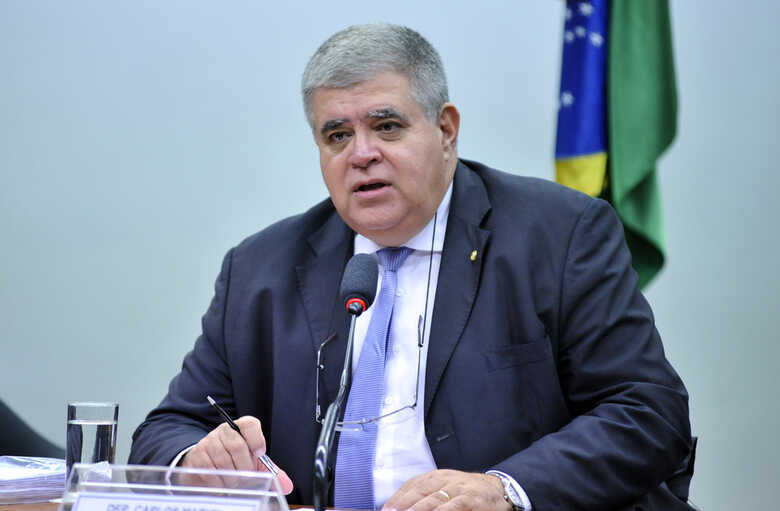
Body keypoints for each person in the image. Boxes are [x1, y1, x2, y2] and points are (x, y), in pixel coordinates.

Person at [130, 23, 695, 510]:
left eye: (387, 126)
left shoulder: (559, 236)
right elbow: (165, 431)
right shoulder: (261, 268)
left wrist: (504, 490)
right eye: (337, 135)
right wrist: (197, 459)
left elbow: (647, 412)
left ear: (446, 130)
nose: (362, 154)